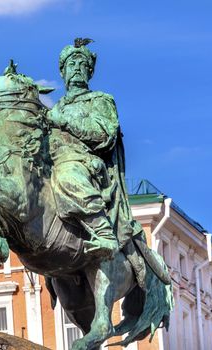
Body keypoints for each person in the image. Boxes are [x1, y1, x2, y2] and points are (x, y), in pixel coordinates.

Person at [47, 39, 144, 260]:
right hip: (55, 163)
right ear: (63, 72)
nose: (77, 70)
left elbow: (104, 135)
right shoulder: (56, 108)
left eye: (82, 65)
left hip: (86, 164)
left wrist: (63, 121)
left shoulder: (99, 100)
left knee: (67, 176)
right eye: (72, 65)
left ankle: (104, 232)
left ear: (90, 72)